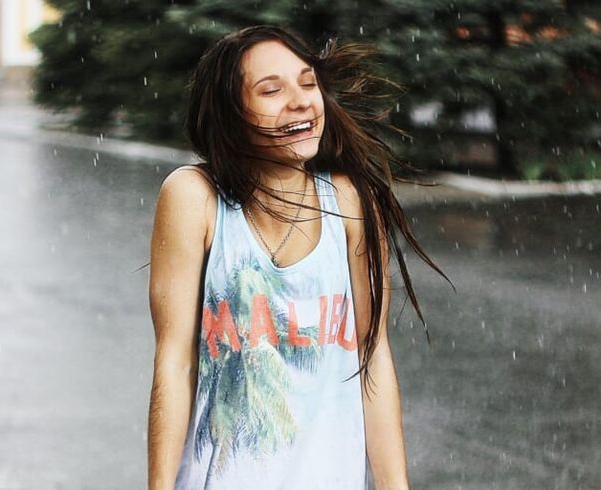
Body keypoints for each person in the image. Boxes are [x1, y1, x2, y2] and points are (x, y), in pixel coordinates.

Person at [147, 25, 446, 490]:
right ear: (230, 113)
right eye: (271, 90)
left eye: (308, 83)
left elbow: (372, 357)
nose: (301, 101)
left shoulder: (349, 200)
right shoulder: (195, 198)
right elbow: (175, 362)